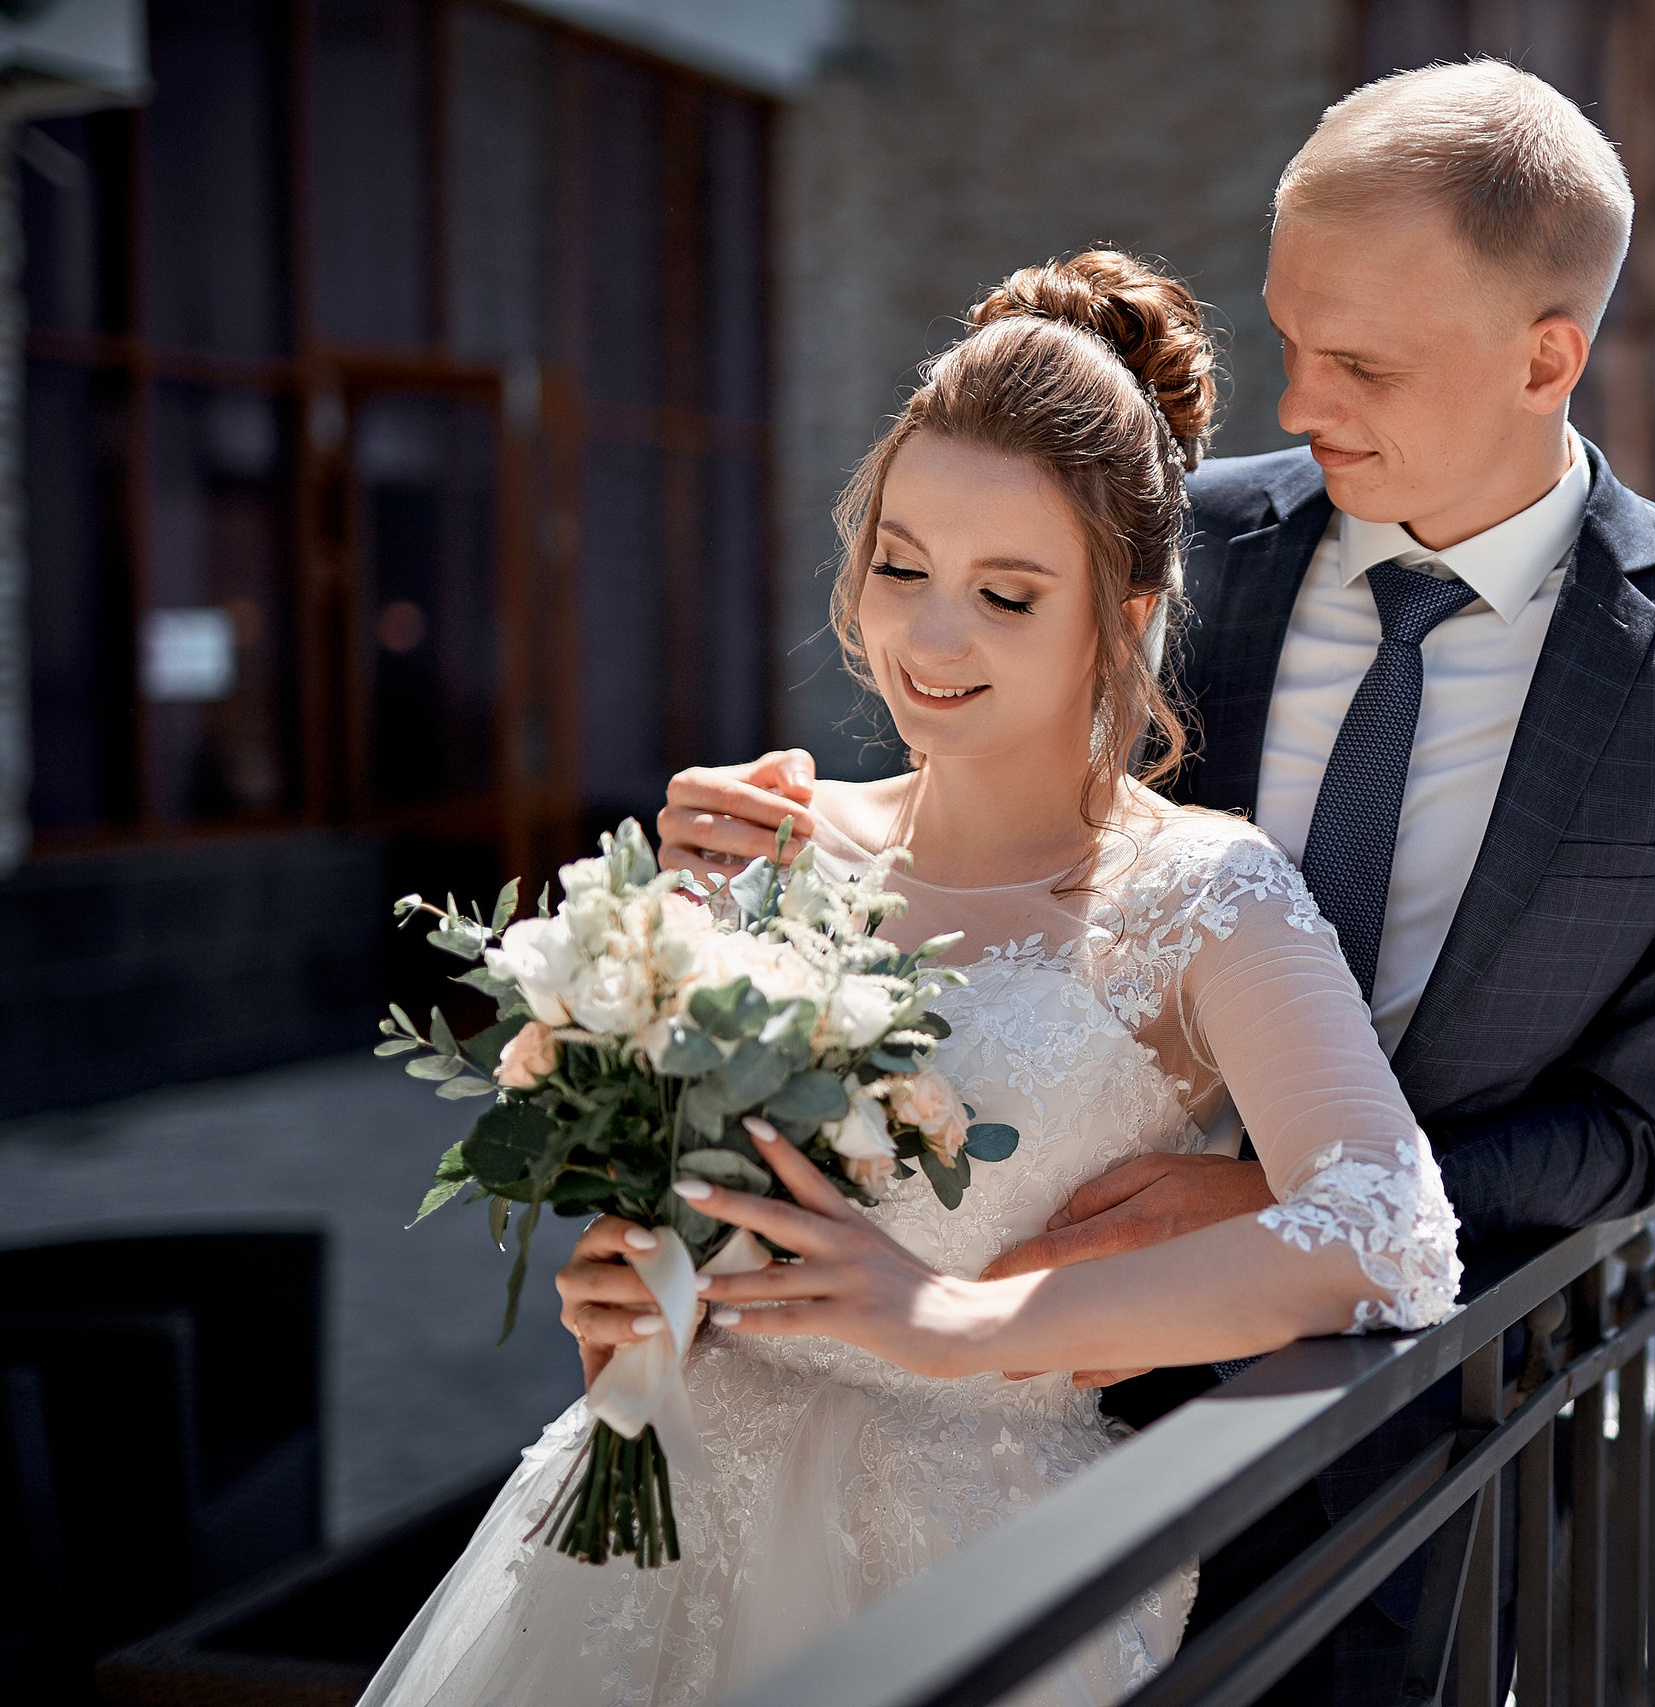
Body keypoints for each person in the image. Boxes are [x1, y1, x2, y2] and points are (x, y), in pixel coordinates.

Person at [657, 62, 1655, 1707]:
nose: (1299, 401)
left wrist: (1290, 1199)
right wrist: (785, 841)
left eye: (1359, 362)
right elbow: (991, 808)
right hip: (1025, 1408)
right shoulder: (1169, 541)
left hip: (1423, 1432)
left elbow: (1633, 1129)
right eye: (1292, 337)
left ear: (1547, 356)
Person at [358, 252, 1462, 1707]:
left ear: (1123, 618)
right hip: (648, 1513)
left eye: (1007, 596)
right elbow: (688, 1199)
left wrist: (964, 1327)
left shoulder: (1205, 893)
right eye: (900, 568)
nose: (929, 641)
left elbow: (1394, 1236)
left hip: (967, 1555)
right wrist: (630, 1284)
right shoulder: (768, 844)